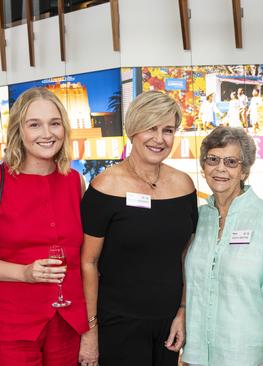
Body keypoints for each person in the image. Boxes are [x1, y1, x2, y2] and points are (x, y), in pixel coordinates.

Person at [0, 87, 88, 365]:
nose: (47, 133)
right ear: (19, 130)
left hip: (67, 322)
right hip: (10, 324)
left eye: (54, 123)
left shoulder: (75, 181)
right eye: (34, 124)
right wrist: (24, 273)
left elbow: (87, 258)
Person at [79, 91, 198, 366]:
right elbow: (88, 262)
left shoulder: (184, 186)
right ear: (133, 130)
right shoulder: (104, 187)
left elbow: (185, 256)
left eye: (168, 130)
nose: (160, 139)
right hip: (118, 324)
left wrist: (182, 311)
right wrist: (91, 329)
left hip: (168, 322)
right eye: (151, 128)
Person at [182, 127, 263, 366]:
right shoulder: (197, 219)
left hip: (247, 357)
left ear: (244, 170)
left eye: (231, 162)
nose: (220, 168)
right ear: (204, 167)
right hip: (198, 357)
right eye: (213, 159)